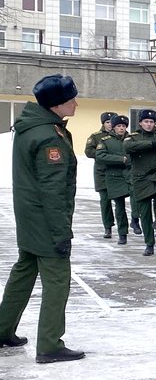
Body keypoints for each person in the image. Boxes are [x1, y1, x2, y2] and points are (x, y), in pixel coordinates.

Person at [0, 74, 83, 363]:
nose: (75, 103)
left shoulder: (29, 126)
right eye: (70, 99)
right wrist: (61, 233)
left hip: (29, 217)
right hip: (45, 220)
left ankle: (2, 330)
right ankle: (49, 344)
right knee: (58, 280)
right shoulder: (49, 136)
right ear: (55, 105)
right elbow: (53, 190)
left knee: (23, 272)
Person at [124, 108, 156, 255]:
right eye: (146, 121)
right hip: (140, 178)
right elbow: (128, 147)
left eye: (152, 122)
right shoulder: (133, 137)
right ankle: (149, 243)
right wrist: (150, 144)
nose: (149, 124)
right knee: (145, 213)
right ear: (140, 123)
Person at [96, 115, 132, 244]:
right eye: (119, 126)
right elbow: (100, 155)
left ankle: (137, 222)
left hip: (131, 175)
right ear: (114, 127)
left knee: (139, 202)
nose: (121, 128)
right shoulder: (106, 141)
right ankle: (122, 233)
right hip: (114, 176)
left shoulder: (131, 139)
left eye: (123, 126)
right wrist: (120, 159)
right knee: (119, 206)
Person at [85, 112, 116, 239]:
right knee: (105, 200)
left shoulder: (122, 135)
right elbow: (88, 151)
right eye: (107, 122)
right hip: (102, 171)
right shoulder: (96, 136)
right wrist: (104, 154)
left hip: (118, 171)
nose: (110, 125)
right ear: (103, 123)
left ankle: (128, 225)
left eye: (112, 122)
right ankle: (107, 227)